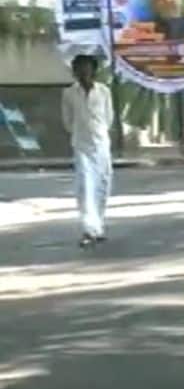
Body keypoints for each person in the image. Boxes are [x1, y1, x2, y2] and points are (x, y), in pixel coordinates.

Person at [61, 55, 114, 248]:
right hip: (81, 145)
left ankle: (98, 227)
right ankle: (88, 229)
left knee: (102, 184)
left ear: (93, 70)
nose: (84, 71)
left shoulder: (103, 91)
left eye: (87, 67)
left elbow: (109, 118)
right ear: (75, 71)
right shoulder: (69, 93)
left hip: (101, 144)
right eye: (79, 68)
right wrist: (79, 132)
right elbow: (67, 121)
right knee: (85, 185)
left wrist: (98, 132)